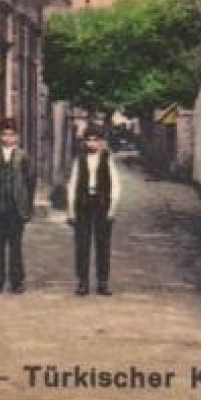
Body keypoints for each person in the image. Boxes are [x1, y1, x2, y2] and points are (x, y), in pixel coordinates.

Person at [0, 117, 35, 294]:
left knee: (15, 247)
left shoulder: (23, 157)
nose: (7, 138)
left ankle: (17, 281)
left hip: (15, 209)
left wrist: (27, 208)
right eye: (4, 134)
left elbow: (30, 183)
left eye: (11, 135)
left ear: (17, 137)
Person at [66, 123, 120, 296]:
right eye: (88, 140)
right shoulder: (79, 159)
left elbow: (116, 185)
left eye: (95, 140)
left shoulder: (107, 158)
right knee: (82, 245)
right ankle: (82, 282)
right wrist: (71, 210)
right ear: (84, 142)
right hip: (83, 205)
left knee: (103, 245)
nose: (91, 144)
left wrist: (112, 208)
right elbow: (72, 185)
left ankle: (102, 282)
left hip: (102, 205)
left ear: (101, 142)